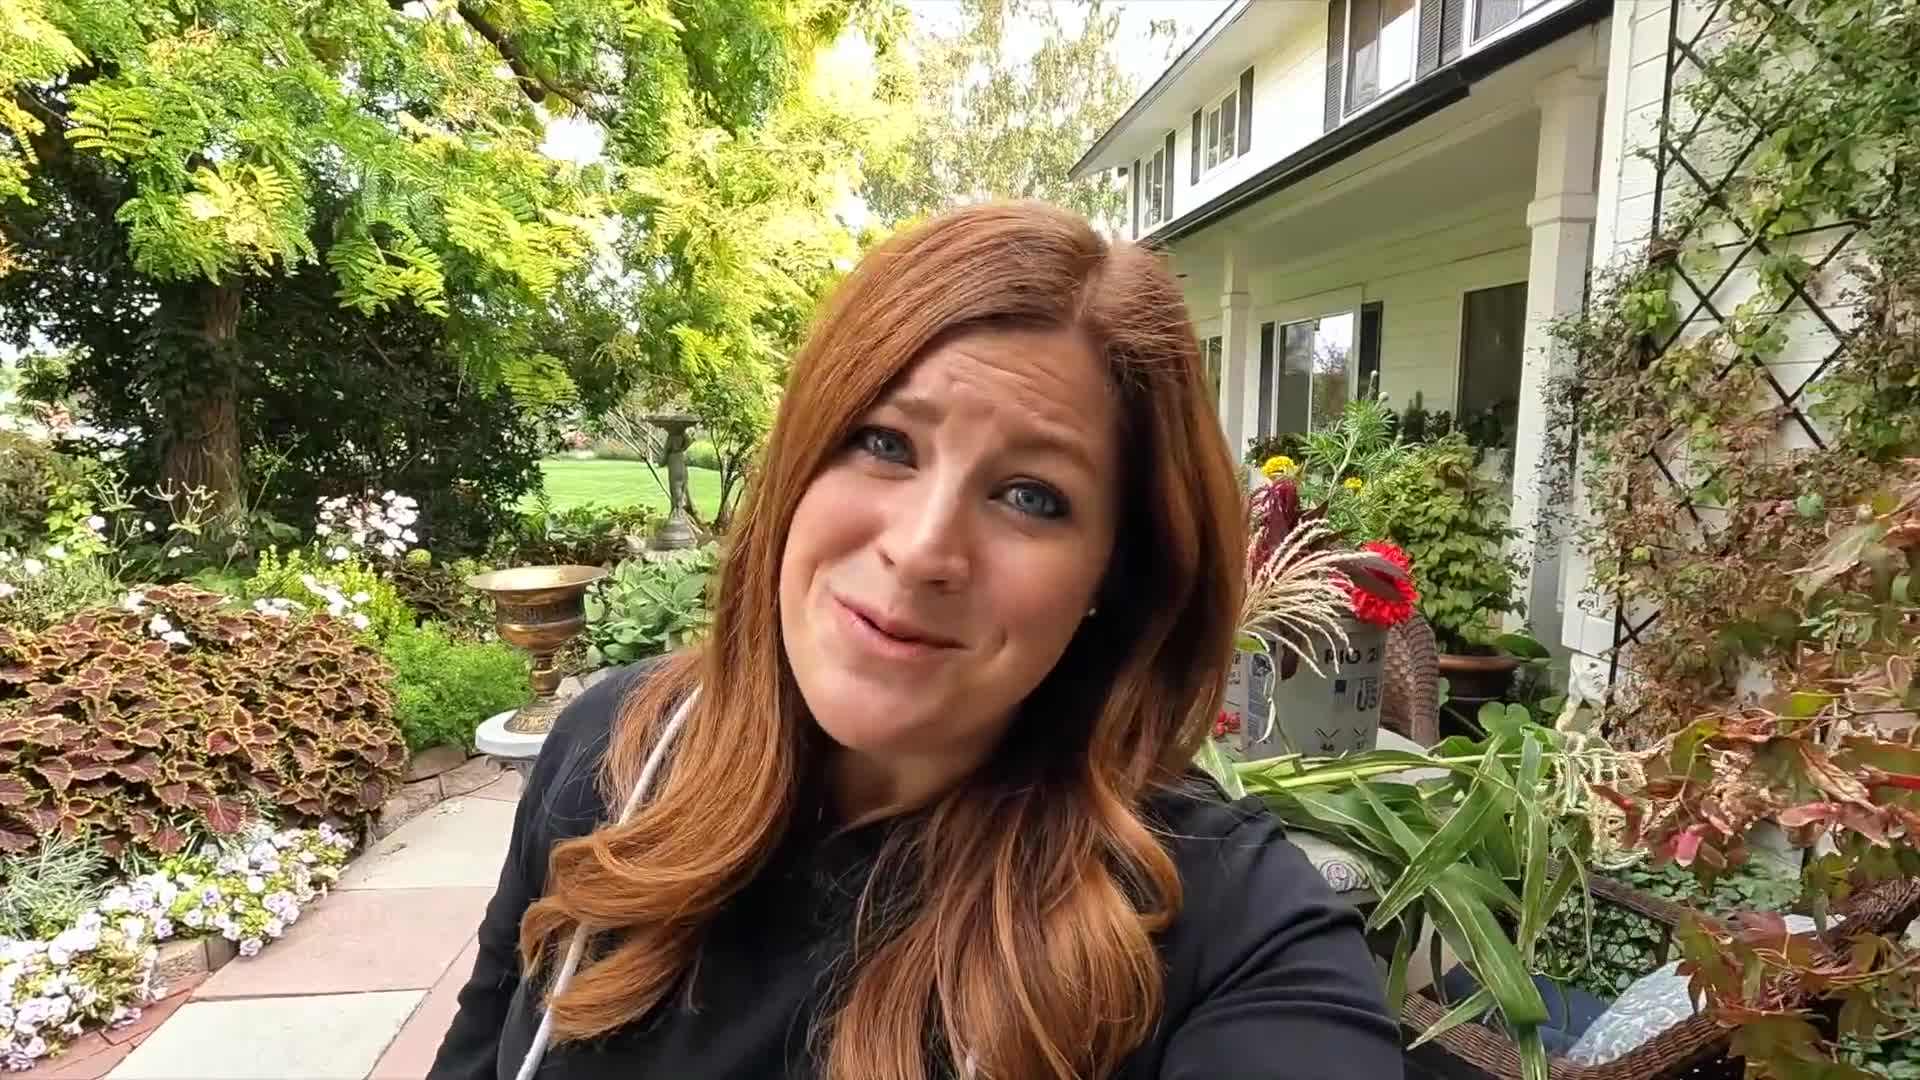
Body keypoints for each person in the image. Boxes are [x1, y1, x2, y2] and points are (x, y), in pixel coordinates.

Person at [428, 201, 1402, 1080]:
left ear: (1117, 575)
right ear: (803, 457)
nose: (923, 548)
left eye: (1032, 497)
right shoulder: (615, 756)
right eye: (886, 443)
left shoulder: (1225, 935)